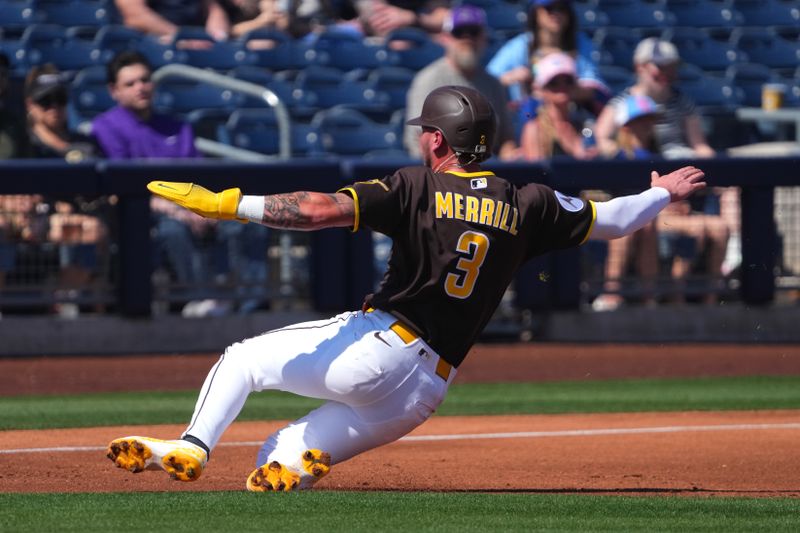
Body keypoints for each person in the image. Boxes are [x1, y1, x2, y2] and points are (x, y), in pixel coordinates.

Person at [106, 85, 707, 491]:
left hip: (379, 347)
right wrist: (664, 193)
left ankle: (193, 446)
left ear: (439, 141)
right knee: (276, 457)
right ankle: (296, 464)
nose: (423, 139)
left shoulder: (417, 186)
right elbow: (618, 219)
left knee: (241, 361)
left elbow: (316, 211)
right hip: (423, 392)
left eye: (428, 132)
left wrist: (233, 204)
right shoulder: (530, 203)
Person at [92, 51, 269, 316]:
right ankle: (200, 299)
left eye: (145, 80)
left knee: (245, 223)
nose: (141, 87)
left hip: (194, 205)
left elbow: (199, 177)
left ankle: (252, 307)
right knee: (172, 230)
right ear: (113, 90)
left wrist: (204, 208)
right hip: (145, 214)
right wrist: (180, 211)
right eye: (130, 83)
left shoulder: (178, 126)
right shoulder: (105, 127)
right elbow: (123, 187)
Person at [594, 37, 732, 304]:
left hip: (680, 190)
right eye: (658, 67)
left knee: (716, 219)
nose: (665, 73)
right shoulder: (622, 111)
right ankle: (624, 296)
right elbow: (602, 140)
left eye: (669, 66)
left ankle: (698, 299)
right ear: (641, 67)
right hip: (649, 203)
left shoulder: (682, 103)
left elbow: (701, 146)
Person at [404, 5, 517, 160]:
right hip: (443, 172)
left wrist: (509, 155)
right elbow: (419, 140)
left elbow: (506, 138)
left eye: (473, 32)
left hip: (488, 170)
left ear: (484, 37)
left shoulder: (493, 84)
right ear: (445, 38)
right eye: (459, 33)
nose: (467, 39)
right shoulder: (428, 80)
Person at [592, 94, 661, 311]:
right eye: (640, 120)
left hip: (662, 215)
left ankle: (650, 297)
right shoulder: (616, 156)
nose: (647, 125)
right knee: (632, 224)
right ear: (626, 126)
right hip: (625, 215)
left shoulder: (659, 156)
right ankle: (611, 294)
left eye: (650, 119)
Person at [486, 0, 607, 116]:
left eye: (562, 8)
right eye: (549, 8)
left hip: (569, 117)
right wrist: (511, 76)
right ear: (536, 12)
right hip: (527, 117)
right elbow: (487, 79)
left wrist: (551, 93)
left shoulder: (581, 43)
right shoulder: (520, 45)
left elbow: (591, 88)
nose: (556, 13)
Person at [518, 51, 598, 161]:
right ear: (542, 88)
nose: (562, 86)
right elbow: (536, 174)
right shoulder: (534, 129)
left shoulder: (585, 125)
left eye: (568, 81)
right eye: (553, 82)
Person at [114, 0, 232, 42]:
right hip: (152, 43)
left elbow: (212, 9)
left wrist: (217, 38)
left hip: (195, 44)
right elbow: (135, 16)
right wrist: (183, 38)